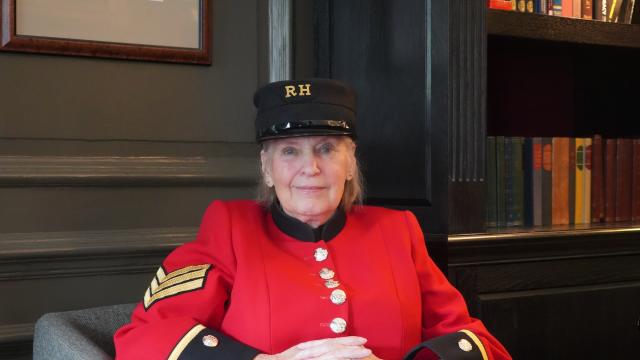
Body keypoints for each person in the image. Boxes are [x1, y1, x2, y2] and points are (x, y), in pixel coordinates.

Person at [114, 79, 511, 360]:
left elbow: (474, 342)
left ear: (350, 163)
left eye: (326, 148)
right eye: (289, 152)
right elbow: (144, 340)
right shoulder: (229, 229)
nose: (311, 168)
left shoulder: (397, 230)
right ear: (266, 169)